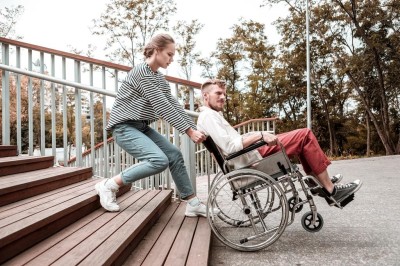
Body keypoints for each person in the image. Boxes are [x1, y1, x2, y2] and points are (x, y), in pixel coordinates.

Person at [197, 79, 362, 206]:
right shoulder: (208, 116)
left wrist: (258, 135)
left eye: (224, 94)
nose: (223, 97)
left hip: (249, 156)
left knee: (302, 141)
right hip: (251, 158)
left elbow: (231, 143)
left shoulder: (210, 116)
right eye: (218, 93)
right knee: (305, 135)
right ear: (205, 96)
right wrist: (260, 135)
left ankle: (321, 182)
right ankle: (331, 190)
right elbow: (230, 147)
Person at [95, 33, 209, 217]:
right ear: (157, 50)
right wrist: (188, 131)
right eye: (169, 54)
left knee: (174, 154)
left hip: (140, 126)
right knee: (159, 160)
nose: (171, 59)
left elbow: (173, 104)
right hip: (123, 128)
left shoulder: (158, 78)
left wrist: (194, 128)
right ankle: (109, 185)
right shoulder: (141, 72)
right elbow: (162, 106)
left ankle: (192, 202)